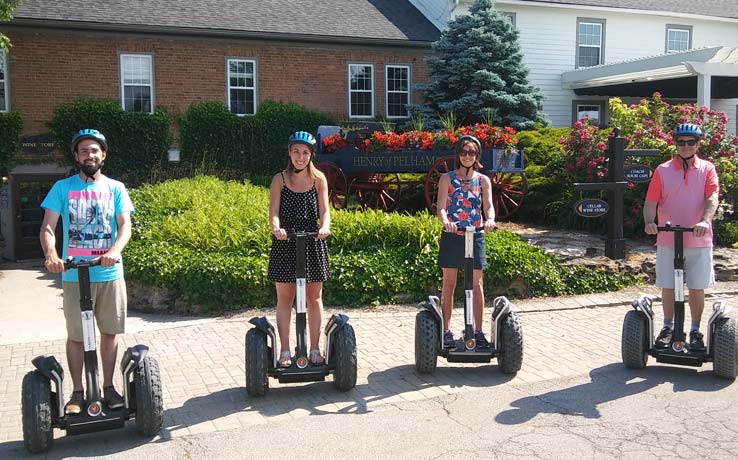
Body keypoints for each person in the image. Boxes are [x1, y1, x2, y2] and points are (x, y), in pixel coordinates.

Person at [39, 129, 134, 414]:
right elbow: (47, 227)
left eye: (94, 150)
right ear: (76, 156)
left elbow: (125, 225)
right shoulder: (62, 188)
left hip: (108, 274)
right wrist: (52, 255)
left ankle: (108, 387)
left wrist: (115, 250)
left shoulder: (115, 188)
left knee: (109, 333)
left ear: (103, 155)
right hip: (73, 275)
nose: (89, 155)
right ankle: (78, 393)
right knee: (77, 337)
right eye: (83, 151)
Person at [644, 123, 720, 351]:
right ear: (675, 143)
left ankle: (695, 331)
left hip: (698, 238)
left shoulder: (707, 169)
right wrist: (649, 222)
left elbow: (712, 198)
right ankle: (668, 327)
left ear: (698, 144)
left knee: (697, 287)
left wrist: (705, 221)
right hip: (668, 238)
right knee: (668, 285)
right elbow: (651, 201)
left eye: (690, 142)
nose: (685, 146)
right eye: (681, 142)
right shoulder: (663, 170)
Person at [267, 131, 331, 367]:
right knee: (285, 298)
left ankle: (314, 349)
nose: (300, 157)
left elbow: (325, 211)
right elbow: (273, 212)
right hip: (286, 241)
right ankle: (285, 351)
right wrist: (277, 228)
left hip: (313, 240)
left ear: (311, 155)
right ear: (289, 153)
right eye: (296, 152)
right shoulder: (279, 180)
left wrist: (324, 227)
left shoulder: (319, 180)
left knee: (314, 298)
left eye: (305, 153)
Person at [436, 135, 496, 349]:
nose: (467, 156)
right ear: (458, 155)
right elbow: (441, 207)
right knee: (449, 283)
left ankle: (478, 331)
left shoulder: (483, 180)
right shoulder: (447, 178)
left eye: (471, 152)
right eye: (464, 152)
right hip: (453, 234)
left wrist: (490, 219)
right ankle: (446, 331)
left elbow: (488, 206)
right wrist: (446, 222)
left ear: (477, 155)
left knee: (477, 284)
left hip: (476, 233)